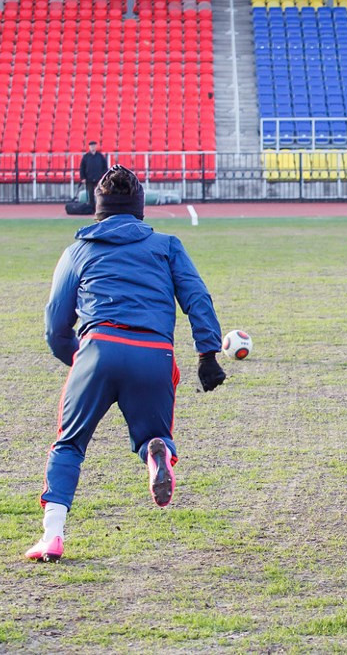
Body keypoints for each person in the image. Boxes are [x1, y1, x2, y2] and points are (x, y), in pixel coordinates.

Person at [29, 166, 226, 563]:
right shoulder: (166, 245)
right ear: (140, 209)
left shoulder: (77, 251)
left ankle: (52, 535)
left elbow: (55, 325)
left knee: (69, 444)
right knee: (155, 436)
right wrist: (207, 354)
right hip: (154, 353)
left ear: (97, 210)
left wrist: (79, 359)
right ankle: (157, 455)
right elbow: (197, 296)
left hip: (99, 348)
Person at [78, 141, 108, 212]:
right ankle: (92, 209)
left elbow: (105, 167)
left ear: (96, 147)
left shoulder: (100, 156)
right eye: (91, 146)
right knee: (90, 194)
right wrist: (83, 177)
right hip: (89, 178)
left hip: (99, 179)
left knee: (100, 194)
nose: (92, 147)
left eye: (94, 146)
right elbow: (82, 167)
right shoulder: (86, 157)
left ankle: (100, 208)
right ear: (89, 147)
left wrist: (103, 175)